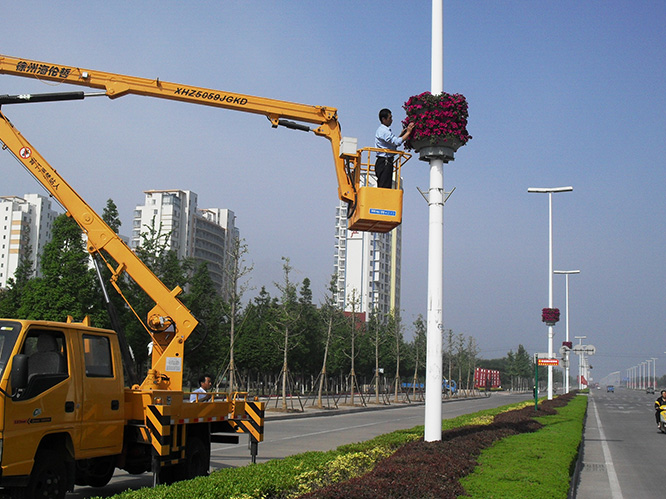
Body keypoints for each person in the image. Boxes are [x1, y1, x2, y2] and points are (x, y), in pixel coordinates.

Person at [374, 108, 414, 188]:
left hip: (384, 162)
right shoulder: (383, 131)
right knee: (384, 187)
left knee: (384, 185)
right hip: (384, 162)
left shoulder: (383, 130)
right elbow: (397, 142)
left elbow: (392, 145)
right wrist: (409, 132)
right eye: (390, 118)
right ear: (384, 119)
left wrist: (401, 135)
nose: (391, 120)